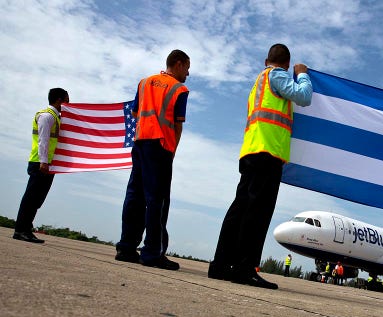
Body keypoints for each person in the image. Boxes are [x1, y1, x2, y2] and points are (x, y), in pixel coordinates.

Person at [207, 44, 312, 290]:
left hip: (251, 150)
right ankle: (244, 268)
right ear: (286, 64)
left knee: (240, 209)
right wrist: (303, 74)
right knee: (258, 213)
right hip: (268, 152)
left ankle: (220, 264)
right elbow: (304, 97)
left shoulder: (258, 82)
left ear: (266, 59)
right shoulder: (277, 75)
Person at [115, 49, 191, 271]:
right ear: (178, 64)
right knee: (157, 200)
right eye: (187, 67)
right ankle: (151, 252)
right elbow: (178, 124)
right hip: (161, 147)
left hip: (140, 142)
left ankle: (126, 247)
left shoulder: (144, 82)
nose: (188, 73)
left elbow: (134, 113)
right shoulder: (180, 89)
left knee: (134, 195)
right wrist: (172, 150)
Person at [14, 88, 69, 243]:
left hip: (48, 164)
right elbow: (43, 141)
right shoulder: (47, 116)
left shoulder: (56, 117)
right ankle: (21, 230)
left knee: (38, 199)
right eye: (66, 100)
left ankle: (26, 228)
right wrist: (44, 162)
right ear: (59, 100)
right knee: (31, 198)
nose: (68, 104)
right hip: (40, 163)